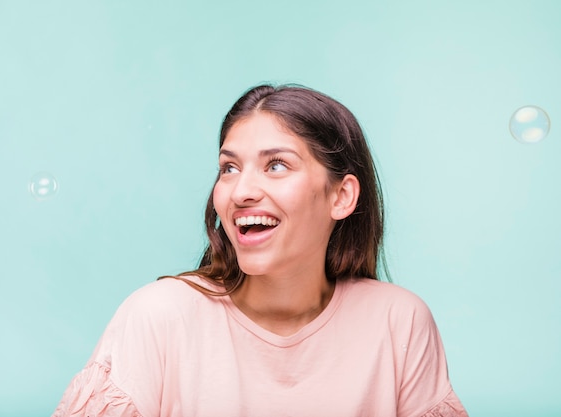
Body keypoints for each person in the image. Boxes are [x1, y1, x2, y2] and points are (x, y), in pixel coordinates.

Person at [53, 84, 468, 417]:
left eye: (276, 165)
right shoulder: (157, 317)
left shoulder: (399, 321)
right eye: (229, 168)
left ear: (341, 196)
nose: (242, 192)